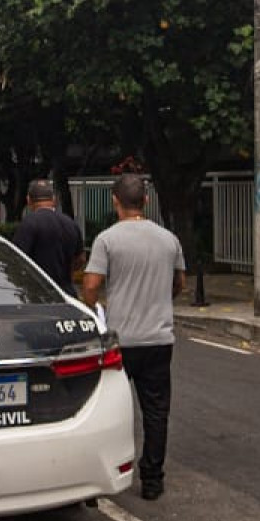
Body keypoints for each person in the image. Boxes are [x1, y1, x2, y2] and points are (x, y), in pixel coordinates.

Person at [81, 174, 186, 501]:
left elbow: (90, 286)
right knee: (156, 411)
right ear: (146, 201)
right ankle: (152, 479)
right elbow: (179, 284)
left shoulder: (107, 240)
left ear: (115, 201)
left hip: (120, 341)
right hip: (158, 340)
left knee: (104, 408)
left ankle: (100, 476)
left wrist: (97, 307)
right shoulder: (169, 239)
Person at [12, 178, 84, 294]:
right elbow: (80, 259)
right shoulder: (71, 224)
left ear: (29, 200)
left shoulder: (28, 224)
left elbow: (17, 261)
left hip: (37, 296)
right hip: (66, 295)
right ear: (54, 200)